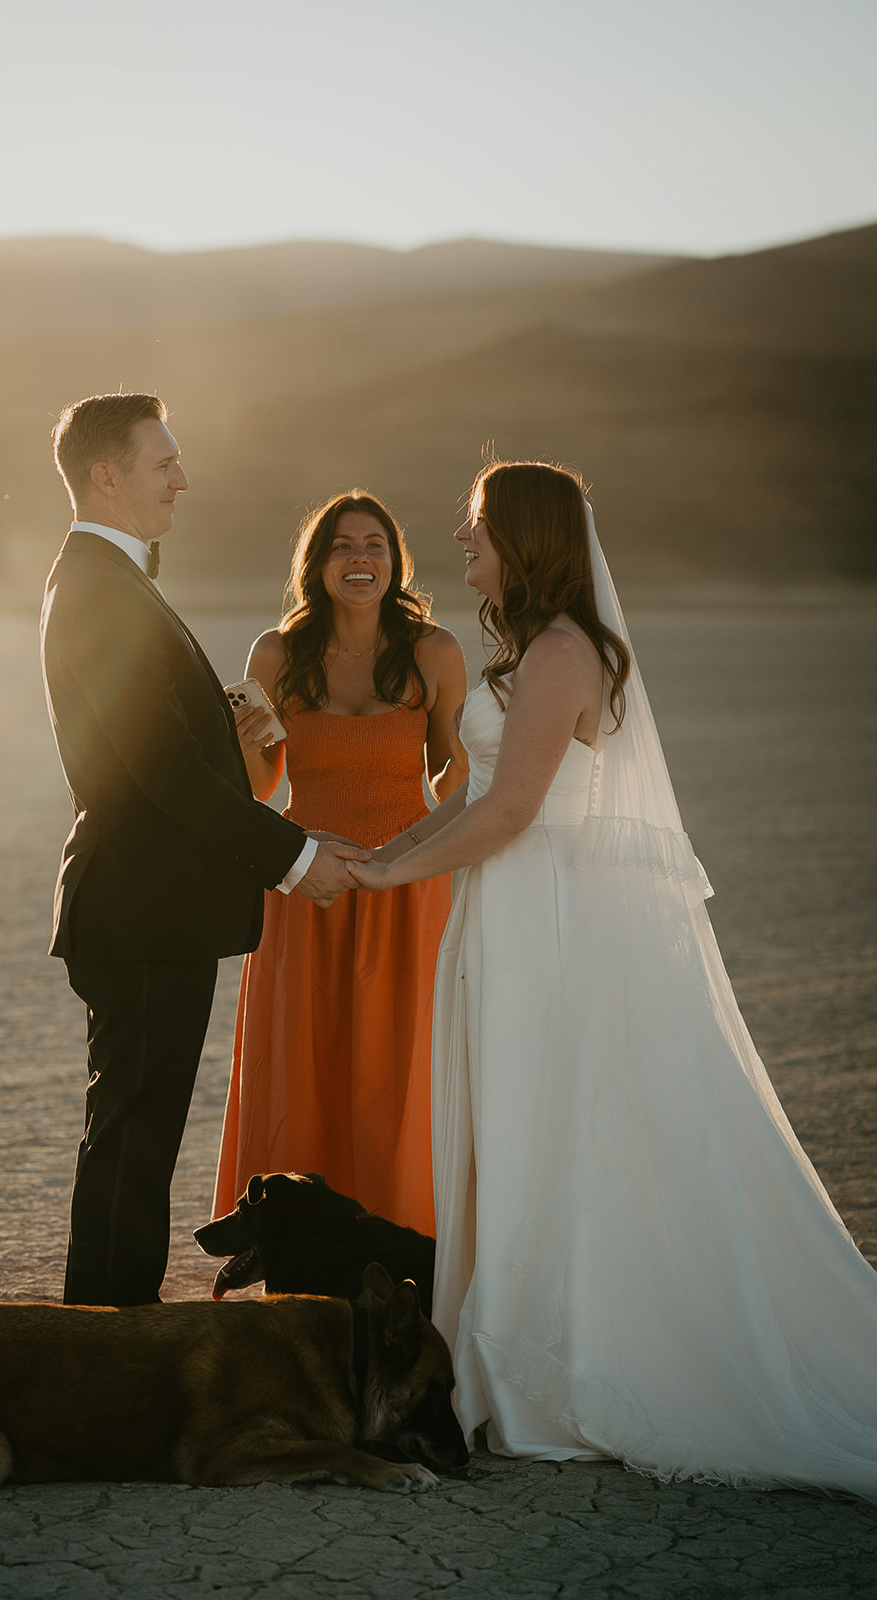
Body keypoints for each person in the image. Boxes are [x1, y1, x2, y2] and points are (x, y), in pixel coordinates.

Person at [348, 460, 877, 1501]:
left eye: (476, 533)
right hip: (505, 913)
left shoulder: (560, 653)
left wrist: (382, 879)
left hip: (542, 923)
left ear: (526, 541)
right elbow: (470, 803)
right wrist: (377, 857)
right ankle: (511, 1347)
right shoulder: (537, 652)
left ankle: (547, 1364)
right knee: (514, 1127)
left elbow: (507, 817)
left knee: (542, 1128)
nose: (462, 549)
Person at [41, 393, 365, 1308]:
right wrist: (295, 857)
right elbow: (158, 774)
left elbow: (155, 747)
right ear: (106, 476)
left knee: (134, 1143)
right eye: (162, 462)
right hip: (141, 914)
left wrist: (231, 734)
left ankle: (107, 1343)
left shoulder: (114, 580)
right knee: (132, 1149)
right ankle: (105, 1352)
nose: (182, 477)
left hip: (151, 912)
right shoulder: (98, 589)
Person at [212, 491, 468, 1234]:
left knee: (399, 1069)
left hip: (408, 887)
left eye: (374, 546)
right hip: (303, 886)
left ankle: (403, 1234)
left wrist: (490, 761)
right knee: (303, 1067)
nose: (359, 560)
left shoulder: (434, 651)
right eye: (341, 546)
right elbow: (259, 786)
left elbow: (452, 778)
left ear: (395, 563)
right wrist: (247, 738)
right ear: (316, 564)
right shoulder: (275, 653)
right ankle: (296, 1243)